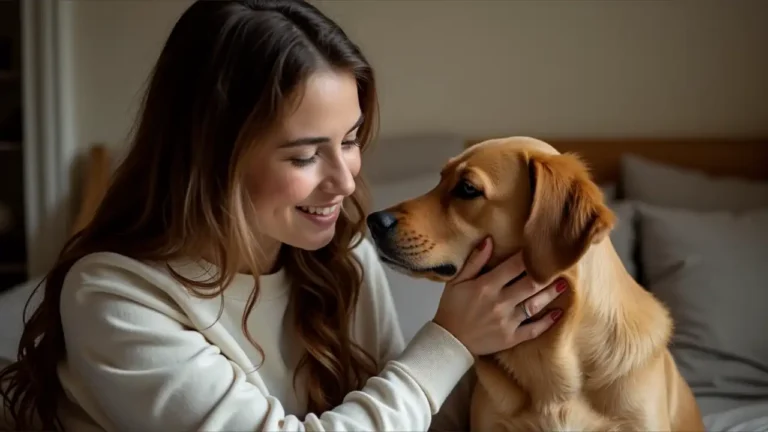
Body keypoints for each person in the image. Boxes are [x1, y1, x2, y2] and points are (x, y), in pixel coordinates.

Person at [0, 1, 567, 430]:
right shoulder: (115, 298)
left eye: (350, 140)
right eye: (304, 155)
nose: (345, 183)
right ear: (211, 157)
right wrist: (449, 341)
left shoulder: (340, 255)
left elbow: (405, 414)